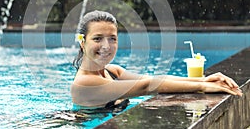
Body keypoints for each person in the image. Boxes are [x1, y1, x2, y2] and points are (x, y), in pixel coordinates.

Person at [71, 10, 242, 109]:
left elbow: (151, 79)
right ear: (82, 42)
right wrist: (203, 86)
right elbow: (146, 87)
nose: (106, 46)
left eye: (112, 38)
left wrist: (203, 79)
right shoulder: (85, 83)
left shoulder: (112, 71)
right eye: (97, 38)